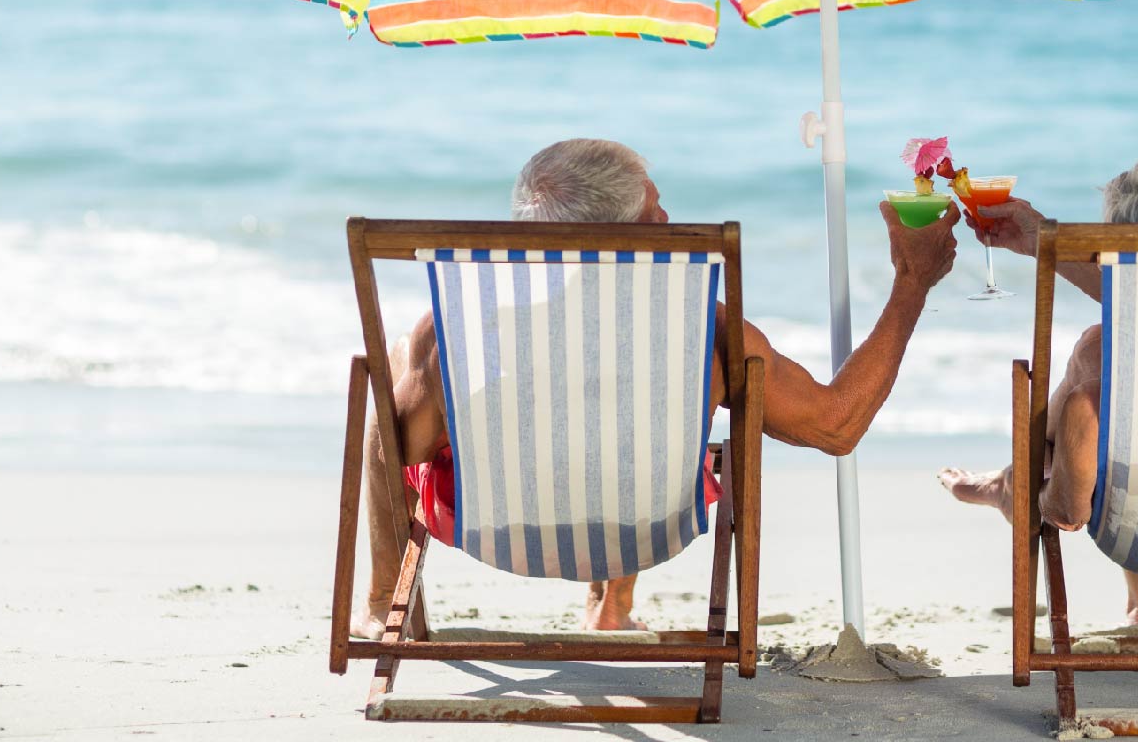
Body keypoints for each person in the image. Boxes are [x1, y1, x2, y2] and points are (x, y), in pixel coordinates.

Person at [356, 138, 958, 636]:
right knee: (648, 421)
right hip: (644, 527)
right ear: (624, 232)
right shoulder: (702, 327)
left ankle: (386, 599)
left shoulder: (456, 329)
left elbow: (396, 450)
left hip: (496, 529)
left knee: (389, 380)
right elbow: (836, 424)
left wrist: (414, 370)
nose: (667, 220)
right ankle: (610, 609)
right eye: (653, 210)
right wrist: (912, 283)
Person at [939, 146, 1138, 632]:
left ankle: (1015, 485)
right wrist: (1042, 239)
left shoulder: (1120, 361)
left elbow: (1069, 510)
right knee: (1125, 370)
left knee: (1100, 352)